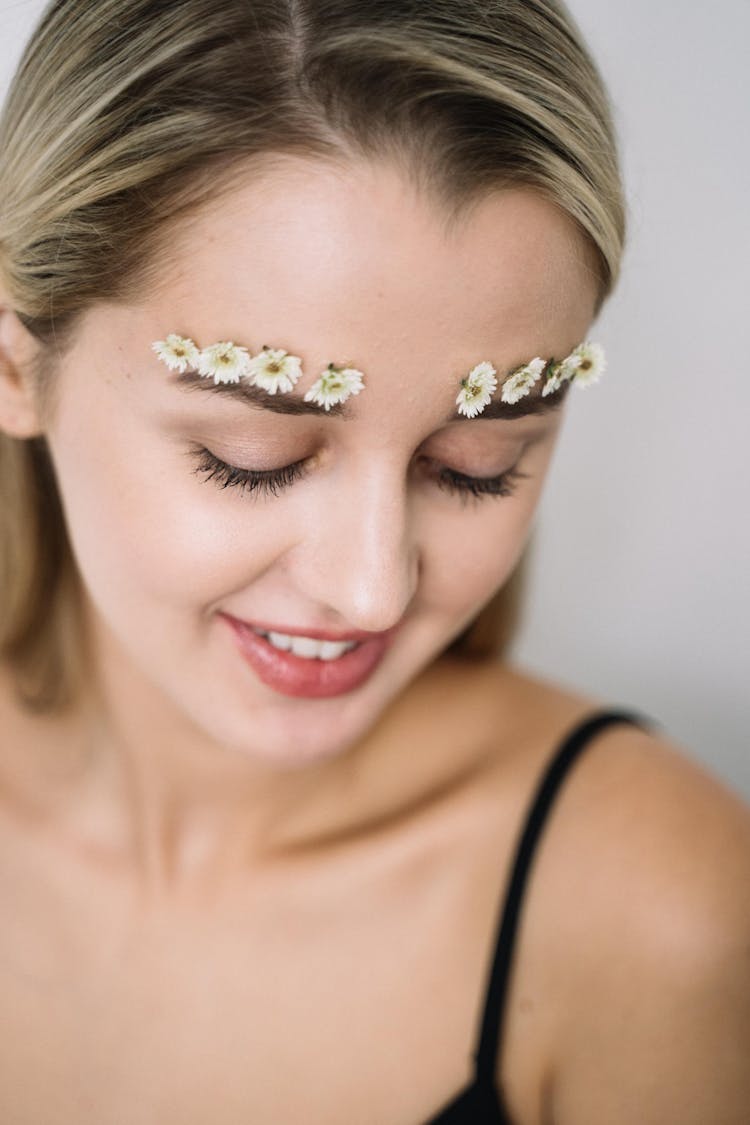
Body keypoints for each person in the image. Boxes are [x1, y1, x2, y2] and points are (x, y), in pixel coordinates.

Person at [0, 1, 748, 1121]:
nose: (373, 587)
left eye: (475, 466)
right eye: (253, 460)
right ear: (16, 371)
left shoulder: (657, 914)